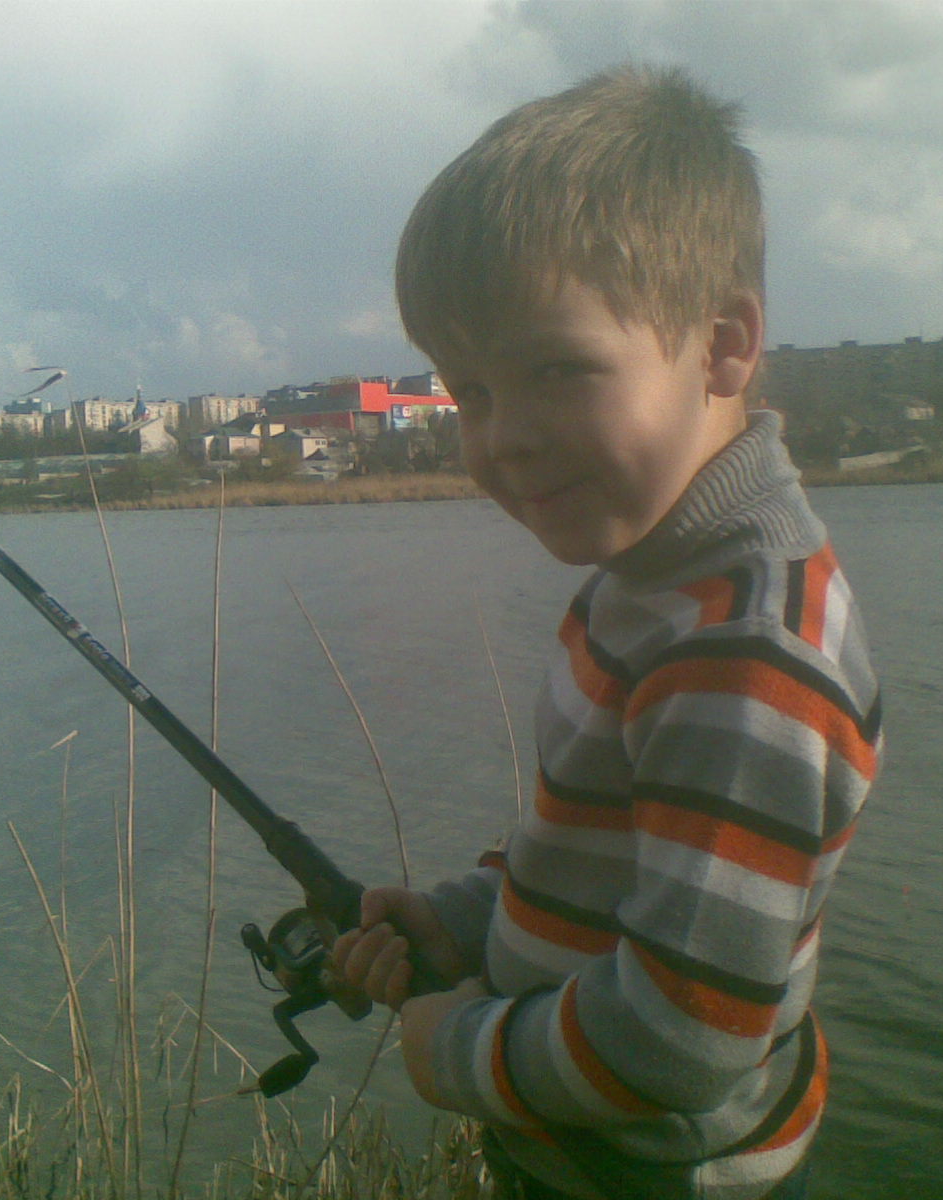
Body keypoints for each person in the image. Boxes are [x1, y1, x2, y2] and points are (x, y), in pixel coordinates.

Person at [332, 64, 882, 1200]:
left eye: (556, 371)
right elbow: (596, 852)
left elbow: (683, 1038)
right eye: (472, 392)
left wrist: (455, 1053)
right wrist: (462, 922)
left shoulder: (744, 657)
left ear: (722, 344)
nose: (506, 438)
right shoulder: (651, 573)